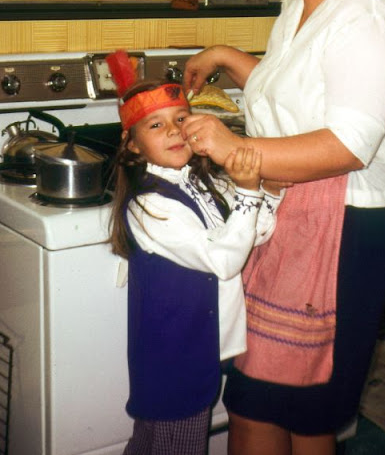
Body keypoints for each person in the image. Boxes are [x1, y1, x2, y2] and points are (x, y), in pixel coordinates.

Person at [180, 0, 385, 454]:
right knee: (257, 398)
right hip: (291, 216)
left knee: (307, 410)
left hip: (343, 229)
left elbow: (347, 144)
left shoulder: (365, 22)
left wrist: (236, 148)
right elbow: (292, 86)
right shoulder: (305, 8)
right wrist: (226, 55)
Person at [108, 79, 282, 455]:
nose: (173, 130)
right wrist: (250, 192)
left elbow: (253, 233)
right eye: (156, 125)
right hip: (174, 355)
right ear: (132, 144)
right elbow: (225, 260)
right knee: (178, 443)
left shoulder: (203, 184)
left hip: (195, 345)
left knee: (152, 443)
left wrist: (269, 191)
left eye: (180, 118)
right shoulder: (149, 205)